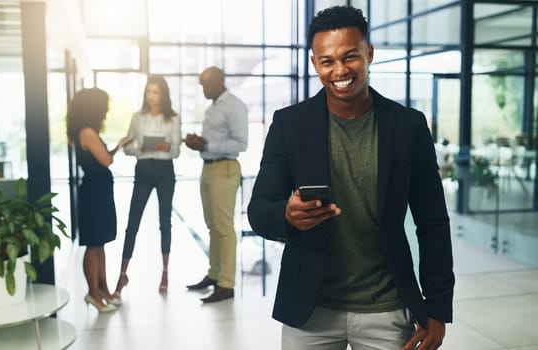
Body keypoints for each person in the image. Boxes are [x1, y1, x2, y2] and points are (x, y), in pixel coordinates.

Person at [247, 6, 454, 350]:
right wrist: (286, 214)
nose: (340, 70)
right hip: (309, 310)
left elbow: (432, 222)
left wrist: (437, 307)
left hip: (385, 308)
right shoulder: (289, 125)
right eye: (327, 61)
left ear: (368, 54)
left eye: (350, 57)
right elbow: (258, 210)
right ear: (315, 64)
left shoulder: (408, 126)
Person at [184, 66, 248, 303]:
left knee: (224, 228)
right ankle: (214, 274)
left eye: (206, 85)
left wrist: (207, 146)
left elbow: (241, 144)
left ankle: (226, 284)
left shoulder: (234, 106)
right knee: (212, 226)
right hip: (209, 168)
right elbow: (212, 141)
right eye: (201, 85)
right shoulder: (214, 107)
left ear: (220, 81)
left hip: (225, 168)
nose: (203, 89)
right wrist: (198, 144)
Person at [114, 75, 181, 295]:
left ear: (163, 94)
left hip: (164, 171)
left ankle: (165, 271)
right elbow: (128, 147)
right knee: (133, 221)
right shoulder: (137, 117)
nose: (151, 96)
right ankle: (123, 275)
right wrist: (139, 147)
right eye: (148, 91)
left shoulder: (172, 119)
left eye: (156, 92)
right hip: (143, 169)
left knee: (165, 222)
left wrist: (166, 146)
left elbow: (176, 151)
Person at [66, 87, 132, 313]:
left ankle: (102, 290)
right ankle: (93, 294)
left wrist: (119, 146)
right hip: (95, 192)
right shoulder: (87, 133)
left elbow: (102, 158)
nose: (105, 112)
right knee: (94, 246)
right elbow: (105, 161)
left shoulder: (84, 132)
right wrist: (114, 150)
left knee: (99, 243)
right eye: (103, 107)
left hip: (97, 190)